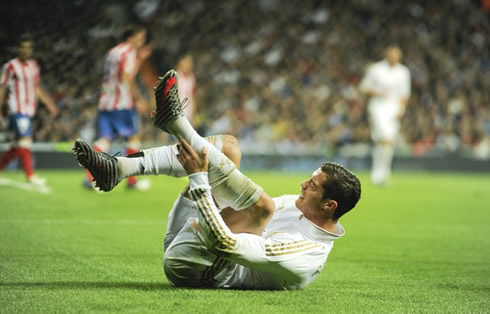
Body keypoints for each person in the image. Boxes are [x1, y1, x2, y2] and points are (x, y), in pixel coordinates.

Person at [73, 69, 361, 290]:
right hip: (190, 236)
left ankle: (175, 123)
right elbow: (238, 206)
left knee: (263, 207)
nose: (302, 185)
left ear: (328, 205)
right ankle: (120, 168)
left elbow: (225, 244)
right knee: (230, 147)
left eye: (312, 186)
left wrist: (200, 180)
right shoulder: (298, 206)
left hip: (197, 270)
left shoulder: (306, 251)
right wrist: (215, 173)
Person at [84, 25, 152, 190]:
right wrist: (138, 99)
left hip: (106, 101)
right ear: (130, 38)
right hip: (122, 103)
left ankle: (91, 178)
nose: (141, 42)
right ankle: (132, 181)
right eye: (140, 38)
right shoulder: (129, 52)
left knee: (104, 140)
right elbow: (126, 76)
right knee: (134, 138)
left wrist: (140, 59)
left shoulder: (113, 52)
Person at [0, 35, 58, 185]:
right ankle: (30, 175)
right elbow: (2, 88)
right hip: (17, 110)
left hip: (30, 110)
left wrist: (48, 103)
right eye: (23, 47)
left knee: (17, 144)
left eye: (28, 48)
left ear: (32, 49)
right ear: (18, 49)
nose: (26, 50)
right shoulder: (10, 66)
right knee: (26, 141)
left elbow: (37, 87)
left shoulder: (34, 66)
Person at [360, 46, 411, 185]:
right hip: (378, 107)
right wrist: (377, 92)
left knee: (386, 142)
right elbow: (364, 87)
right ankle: (381, 173)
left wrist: (401, 111)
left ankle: (380, 173)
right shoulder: (376, 69)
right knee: (384, 138)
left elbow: (405, 94)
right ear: (387, 55)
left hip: (394, 109)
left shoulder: (403, 72)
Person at [176, 54, 197, 124]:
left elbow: (192, 97)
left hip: (188, 115)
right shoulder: (175, 76)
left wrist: (194, 115)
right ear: (181, 62)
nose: (189, 65)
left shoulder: (191, 78)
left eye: (190, 63)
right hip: (176, 114)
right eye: (187, 62)